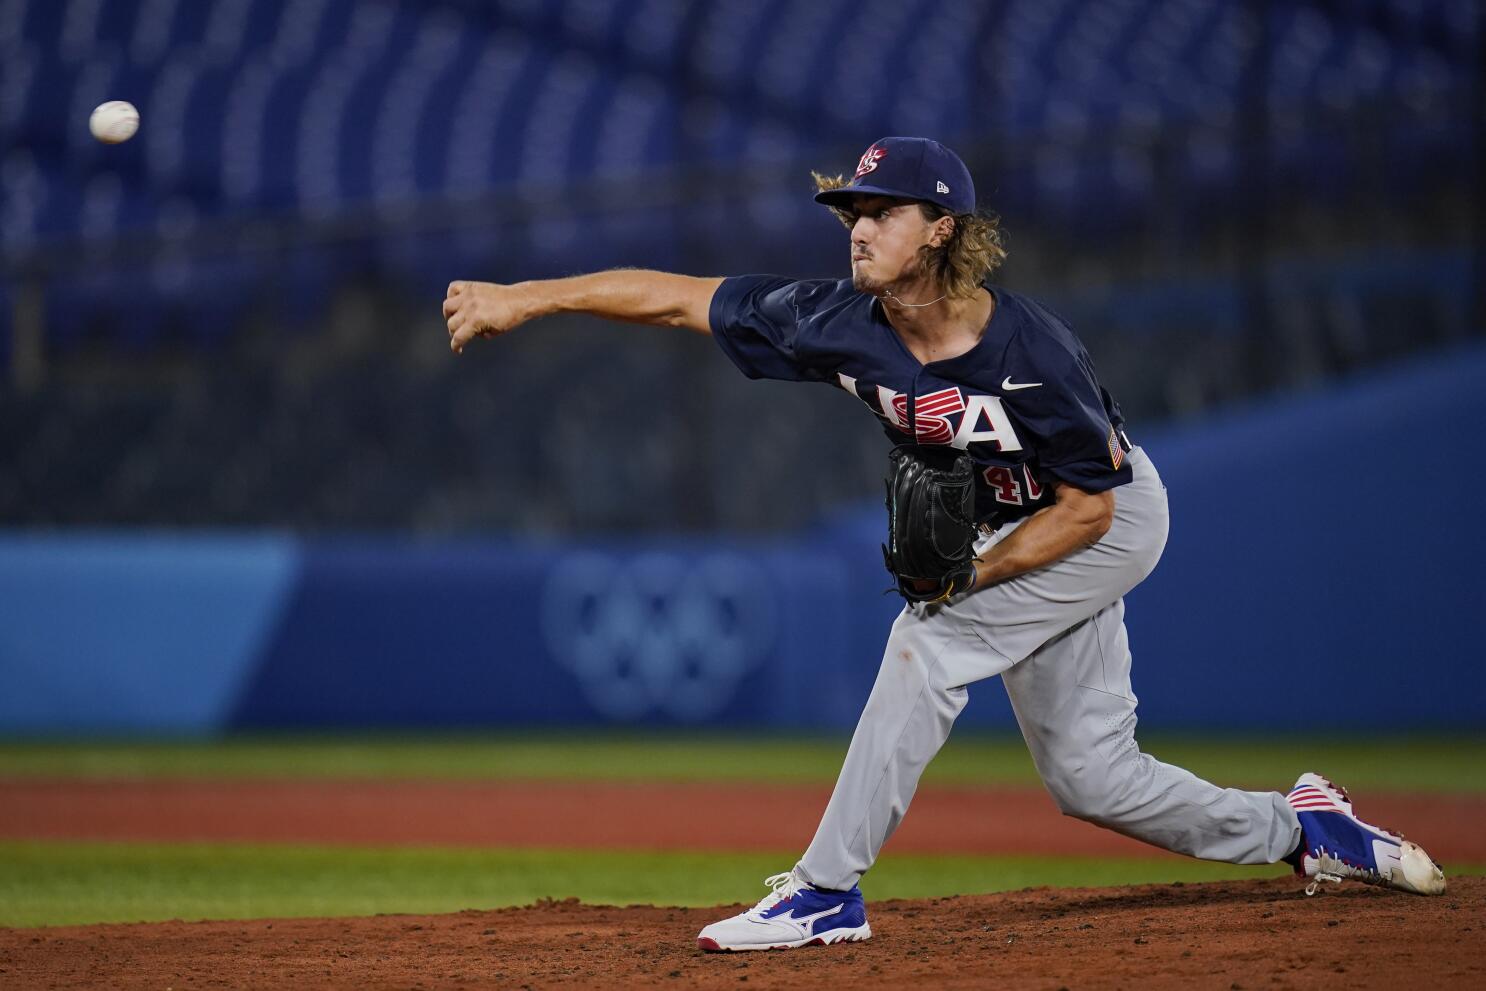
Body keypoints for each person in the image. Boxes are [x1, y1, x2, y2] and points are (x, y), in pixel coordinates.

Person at [441, 136, 1446, 953]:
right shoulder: (838, 321)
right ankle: (1302, 826)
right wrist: (524, 298)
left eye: (880, 211)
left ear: (940, 231)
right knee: (1091, 777)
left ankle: (827, 892)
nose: (858, 228)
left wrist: (969, 576)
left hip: (1105, 514)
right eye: (851, 211)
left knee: (928, 641)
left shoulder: (1031, 354)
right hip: (1018, 520)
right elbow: (676, 296)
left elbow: (1091, 509)